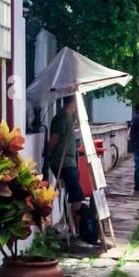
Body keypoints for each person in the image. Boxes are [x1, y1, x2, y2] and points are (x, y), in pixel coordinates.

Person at [47, 96, 86, 230]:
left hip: (69, 162)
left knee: (75, 194)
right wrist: (49, 155)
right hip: (62, 162)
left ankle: (75, 226)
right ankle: (79, 228)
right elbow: (54, 138)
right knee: (77, 195)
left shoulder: (69, 116)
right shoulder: (63, 117)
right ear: (74, 100)